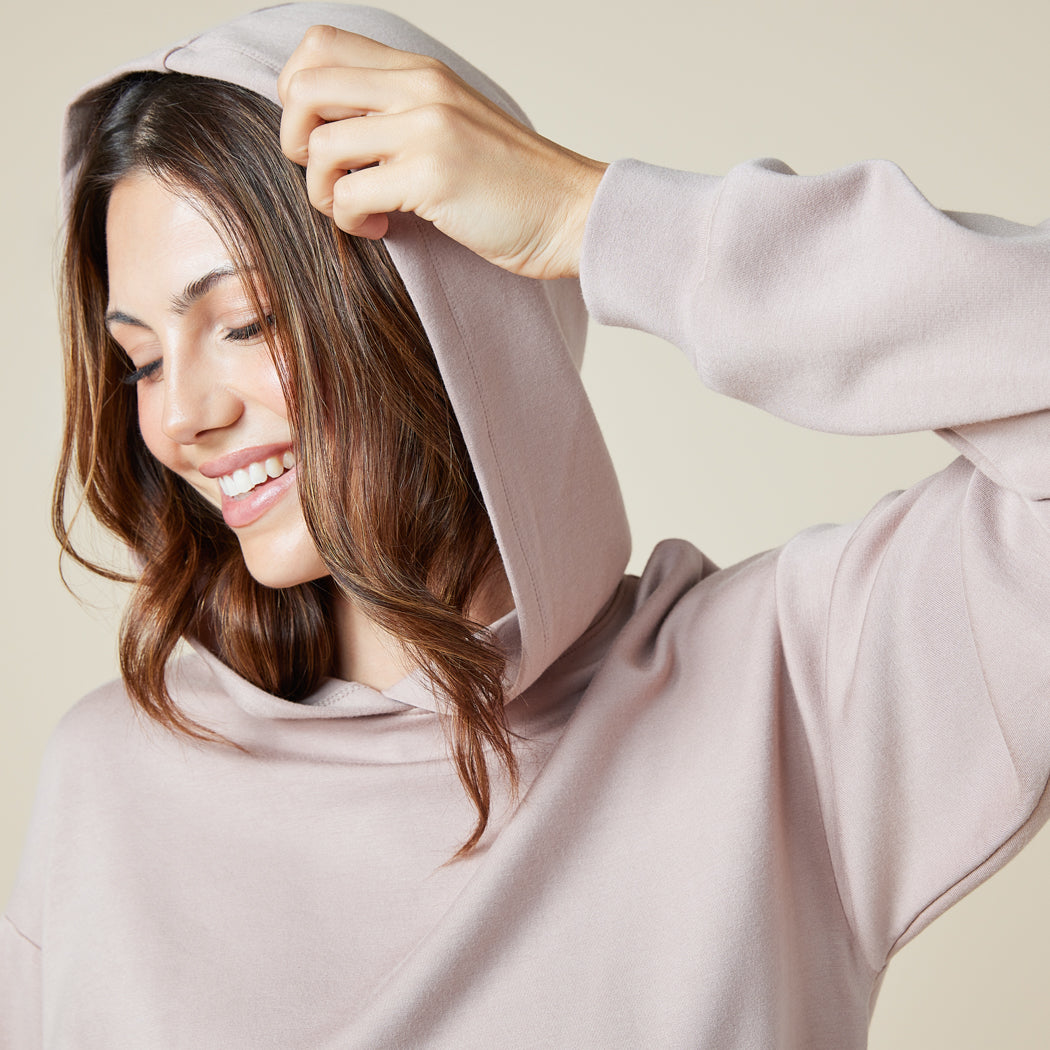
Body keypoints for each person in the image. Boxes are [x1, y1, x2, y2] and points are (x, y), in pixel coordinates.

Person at [3, 3, 1050, 1047]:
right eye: (142, 360)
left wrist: (591, 218)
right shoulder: (111, 782)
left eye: (242, 323)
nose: (178, 418)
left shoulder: (794, 697)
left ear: (432, 304)